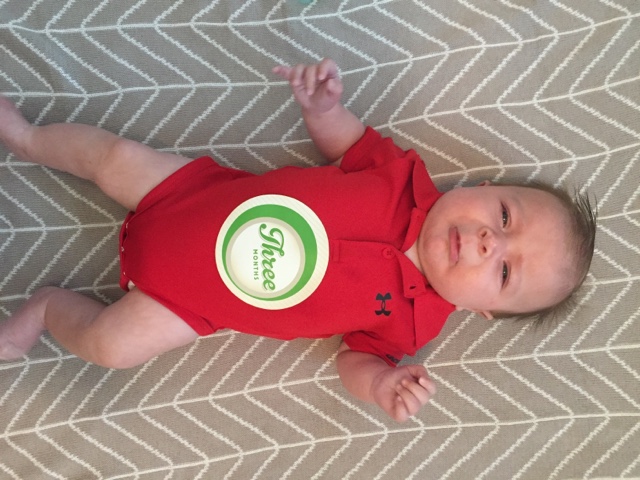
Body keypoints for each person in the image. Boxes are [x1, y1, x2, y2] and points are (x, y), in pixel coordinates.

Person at [0, 59, 595, 422]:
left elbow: (354, 360)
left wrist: (380, 384)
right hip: (190, 194)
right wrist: (323, 108)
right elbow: (345, 142)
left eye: (506, 272)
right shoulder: (401, 174)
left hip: (191, 302)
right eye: (505, 217)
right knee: (113, 157)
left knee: (111, 346)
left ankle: (47, 308)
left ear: (483, 310)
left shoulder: (412, 326)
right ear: (485, 187)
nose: (490, 243)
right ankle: (27, 138)